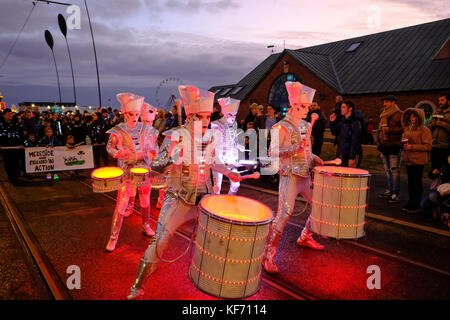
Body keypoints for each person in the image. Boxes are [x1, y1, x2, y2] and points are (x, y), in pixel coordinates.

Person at [127, 85, 241, 300]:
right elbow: (156, 167)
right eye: (201, 116)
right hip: (178, 198)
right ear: (190, 116)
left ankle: (216, 284)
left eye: (208, 116)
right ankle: (136, 287)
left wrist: (228, 173)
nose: (206, 121)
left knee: (217, 240)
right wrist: (173, 156)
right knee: (160, 241)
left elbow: (214, 161)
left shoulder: (211, 137)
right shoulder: (174, 136)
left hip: (205, 199)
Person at [263, 81, 324, 274]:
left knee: (321, 207)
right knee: (284, 213)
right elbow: (272, 152)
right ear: (293, 106)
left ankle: (306, 235)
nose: (307, 110)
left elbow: (307, 151)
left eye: (308, 107)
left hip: (305, 176)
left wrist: (314, 158)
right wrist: (291, 150)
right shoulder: (280, 127)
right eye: (304, 107)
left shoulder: (307, 125)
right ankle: (268, 254)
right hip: (289, 176)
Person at [104, 92, 158, 252]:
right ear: (124, 113)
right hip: (127, 170)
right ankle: (113, 237)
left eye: (136, 114)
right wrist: (118, 153)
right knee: (122, 202)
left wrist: (152, 152)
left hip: (144, 169)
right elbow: (109, 147)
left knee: (145, 199)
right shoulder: (118, 130)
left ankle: (146, 225)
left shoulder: (147, 130)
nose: (134, 118)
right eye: (131, 114)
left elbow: (153, 146)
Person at [124, 102, 160, 217]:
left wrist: (155, 155)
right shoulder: (133, 132)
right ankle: (131, 206)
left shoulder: (154, 133)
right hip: (133, 165)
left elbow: (156, 148)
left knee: (145, 194)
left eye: (150, 122)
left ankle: (146, 220)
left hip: (147, 166)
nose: (148, 124)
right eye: (145, 122)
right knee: (132, 187)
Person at [400, 108, 432, 213]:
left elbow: (428, 146)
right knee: (410, 183)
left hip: (418, 160)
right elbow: (405, 142)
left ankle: (416, 204)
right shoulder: (407, 128)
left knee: (416, 182)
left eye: (414, 116)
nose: (412, 118)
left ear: (419, 118)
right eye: (411, 116)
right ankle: (410, 202)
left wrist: (412, 147)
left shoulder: (424, 130)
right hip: (408, 159)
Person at [210, 97, 241, 195]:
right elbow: (214, 143)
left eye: (235, 115)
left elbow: (234, 139)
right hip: (219, 159)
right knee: (217, 185)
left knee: (236, 183)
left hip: (231, 158)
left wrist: (238, 146)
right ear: (225, 113)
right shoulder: (216, 124)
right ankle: (215, 204)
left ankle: (230, 200)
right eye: (231, 115)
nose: (233, 117)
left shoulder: (235, 124)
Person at [376, 95, 404, 203]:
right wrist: (378, 141)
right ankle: (389, 190)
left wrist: (390, 130)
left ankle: (395, 193)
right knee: (388, 171)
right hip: (384, 146)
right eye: (384, 101)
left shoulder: (400, 114)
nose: (384, 104)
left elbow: (403, 128)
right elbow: (379, 129)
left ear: (393, 102)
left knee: (394, 171)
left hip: (394, 146)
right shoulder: (383, 114)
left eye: (387, 102)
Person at [330, 100, 362, 168]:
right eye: (341, 107)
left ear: (350, 109)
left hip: (353, 154)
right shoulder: (343, 121)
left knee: (352, 174)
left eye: (343, 107)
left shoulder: (355, 123)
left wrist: (352, 157)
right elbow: (334, 132)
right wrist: (332, 122)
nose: (341, 109)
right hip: (344, 153)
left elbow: (355, 141)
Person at [0, 108, 25, 182]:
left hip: (15, 146)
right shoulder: (1, 125)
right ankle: (11, 177)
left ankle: (16, 175)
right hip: (5, 148)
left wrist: (21, 144)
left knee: (16, 161)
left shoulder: (15, 123)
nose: (10, 115)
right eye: (8, 114)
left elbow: (21, 134)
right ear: (4, 115)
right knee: (8, 162)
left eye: (11, 114)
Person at [428, 92, 450, 172]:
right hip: (435, 147)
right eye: (439, 100)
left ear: (448, 101)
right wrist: (432, 124)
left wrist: (444, 125)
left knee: (445, 172)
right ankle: (436, 185)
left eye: (442, 100)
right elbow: (429, 128)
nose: (439, 102)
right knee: (434, 171)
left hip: (446, 147)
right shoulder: (436, 112)